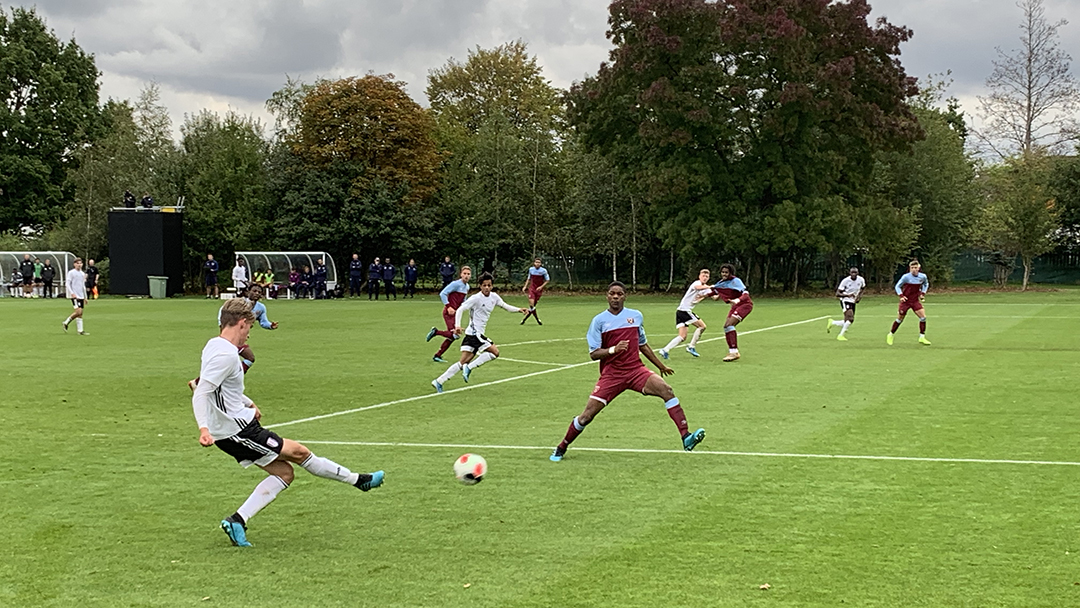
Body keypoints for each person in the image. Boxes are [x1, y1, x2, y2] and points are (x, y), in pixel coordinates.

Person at [192, 298, 384, 548]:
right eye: (249, 327)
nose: (249, 333)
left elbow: (212, 385)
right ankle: (359, 480)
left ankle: (237, 521)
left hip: (238, 426)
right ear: (241, 323)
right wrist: (203, 428)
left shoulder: (213, 345)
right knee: (298, 451)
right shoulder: (227, 355)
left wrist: (247, 403)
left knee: (284, 473)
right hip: (235, 431)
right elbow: (202, 391)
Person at [549, 281, 705, 462]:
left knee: (667, 390)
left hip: (636, 370)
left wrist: (659, 366)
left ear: (625, 296)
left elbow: (642, 344)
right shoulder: (599, 321)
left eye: (619, 294)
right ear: (607, 296)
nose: (615, 297)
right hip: (612, 375)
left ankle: (686, 437)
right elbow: (593, 354)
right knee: (586, 417)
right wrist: (613, 350)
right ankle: (562, 446)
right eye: (612, 293)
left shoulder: (636, 316)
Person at [431, 272, 526, 392]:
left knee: (462, 362)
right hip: (475, 334)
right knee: (494, 352)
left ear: (492, 286)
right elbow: (460, 309)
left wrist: (519, 310)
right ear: (480, 286)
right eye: (484, 285)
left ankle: (439, 381)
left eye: (489, 285)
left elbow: (505, 306)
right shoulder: (475, 298)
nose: (487, 288)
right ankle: (469, 368)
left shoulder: (494, 297)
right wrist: (458, 325)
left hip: (473, 334)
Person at [658, 268, 712, 359]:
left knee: (682, 336)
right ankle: (691, 347)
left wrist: (722, 292)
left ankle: (665, 350)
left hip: (681, 312)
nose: (705, 278)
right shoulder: (697, 283)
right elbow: (698, 288)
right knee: (702, 326)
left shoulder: (706, 288)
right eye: (703, 276)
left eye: (707, 276)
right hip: (684, 311)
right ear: (699, 276)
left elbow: (714, 297)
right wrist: (710, 287)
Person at [426, 266, 471, 363]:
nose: (466, 276)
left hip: (456, 314)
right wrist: (448, 306)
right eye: (464, 274)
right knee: (455, 334)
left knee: (454, 336)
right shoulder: (455, 284)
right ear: (461, 274)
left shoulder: (467, 287)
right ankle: (436, 332)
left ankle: (437, 355)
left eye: (468, 274)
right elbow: (443, 293)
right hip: (448, 312)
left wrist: (466, 307)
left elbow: (463, 300)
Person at [711, 264, 753, 362]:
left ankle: (734, 352)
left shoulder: (736, 281)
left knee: (729, 324)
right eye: (723, 272)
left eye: (726, 272)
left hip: (744, 305)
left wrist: (737, 300)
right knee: (726, 326)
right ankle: (732, 351)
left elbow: (746, 294)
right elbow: (715, 296)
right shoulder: (721, 283)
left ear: (731, 273)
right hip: (734, 306)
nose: (724, 274)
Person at [888, 260, 931, 346]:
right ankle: (891, 334)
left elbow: (926, 284)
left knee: (923, 317)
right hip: (906, 301)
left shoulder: (922, 277)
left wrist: (923, 293)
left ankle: (922, 337)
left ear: (919, 268)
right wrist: (901, 296)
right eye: (912, 268)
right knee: (900, 319)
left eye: (915, 268)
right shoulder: (906, 277)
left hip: (915, 301)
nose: (914, 269)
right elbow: (897, 286)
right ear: (910, 268)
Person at [828, 267, 865, 341]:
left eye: (855, 273)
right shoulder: (845, 281)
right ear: (850, 273)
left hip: (853, 301)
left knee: (849, 320)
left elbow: (863, 288)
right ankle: (840, 335)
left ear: (858, 273)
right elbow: (837, 293)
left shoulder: (861, 280)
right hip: (845, 300)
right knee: (850, 318)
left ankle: (833, 322)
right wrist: (848, 295)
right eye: (852, 273)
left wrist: (859, 297)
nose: (854, 274)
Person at [520, 257, 550, 325]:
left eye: (539, 262)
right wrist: (525, 286)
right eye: (536, 262)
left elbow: (547, 280)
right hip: (532, 289)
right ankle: (537, 319)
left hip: (539, 290)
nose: (537, 264)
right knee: (531, 305)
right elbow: (529, 279)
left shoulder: (543, 271)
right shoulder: (531, 269)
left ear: (541, 264)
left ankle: (524, 320)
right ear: (534, 263)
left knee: (532, 307)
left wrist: (541, 287)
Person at [63, 258, 89, 335]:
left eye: (80, 263)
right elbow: (67, 284)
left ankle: (80, 331)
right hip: (75, 296)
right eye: (77, 263)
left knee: (80, 314)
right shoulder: (71, 273)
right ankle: (66, 322)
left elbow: (83, 286)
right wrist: (72, 293)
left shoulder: (82, 274)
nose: (79, 265)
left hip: (81, 296)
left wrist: (85, 297)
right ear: (74, 264)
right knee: (78, 311)